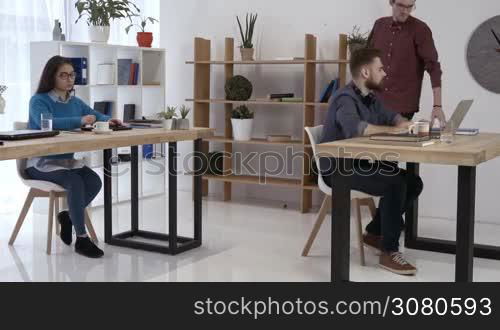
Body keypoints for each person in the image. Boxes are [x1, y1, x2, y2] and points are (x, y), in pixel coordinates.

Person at [319, 48, 423, 276]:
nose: (384, 73)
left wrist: (406, 124)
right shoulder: (344, 98)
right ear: (366, 72)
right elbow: (356, 129)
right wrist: (393, 131)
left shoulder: (370, 97)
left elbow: (391, 116)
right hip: (339, 169)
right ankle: (389, 252)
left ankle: (376, 234)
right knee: (395, 183)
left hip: (360, 163)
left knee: (413, 182)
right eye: (380, 69)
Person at [26, 56, 122, 258]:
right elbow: (49, 122)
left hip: (66, 162)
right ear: (51, 77)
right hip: (40, 164)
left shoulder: (75, 101)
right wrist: (79, 120)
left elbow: (94, 114)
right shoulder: (38, 101)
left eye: (72, 74)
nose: (69, 79)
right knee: (76, 182)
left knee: (95, 181)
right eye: (63, 75)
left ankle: (68, 216)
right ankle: (82, 239)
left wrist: (109, 120)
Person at [367, 0, 446, 127]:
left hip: (402, 107)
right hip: (374, 104)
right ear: (391, 3)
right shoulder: (379, 25)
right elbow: (367, 60)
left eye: (410, 7)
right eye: (401, 6)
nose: (405, 11)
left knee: (394, 145)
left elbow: (434, 68)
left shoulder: (421, 30)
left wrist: (437, 106)